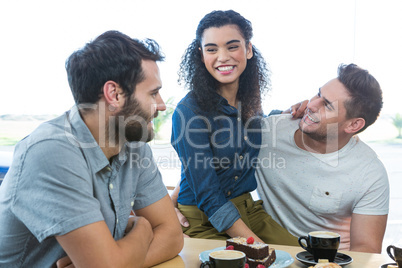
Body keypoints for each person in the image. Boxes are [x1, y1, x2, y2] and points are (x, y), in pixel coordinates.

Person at [0, 30, 183, 267]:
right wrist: (144, 227)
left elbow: (172, 236)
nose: (161, 105)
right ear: (114, 94)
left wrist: (122, 258)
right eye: (153, 93)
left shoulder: (133, 143)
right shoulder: (52, 152)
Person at [170, 9, 299, 245]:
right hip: (203, 219)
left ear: (248, 49)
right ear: (201, 55)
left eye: (232, 46)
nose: (222, 57)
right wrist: (258, 246)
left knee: (301, 258)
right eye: (211, 49)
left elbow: (251, 128)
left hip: (248, 211)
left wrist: (289, 114)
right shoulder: (188, 111)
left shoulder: (249, 100)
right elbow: (208, 194)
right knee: (268, 261)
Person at [256, 63, 389, 253]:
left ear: (353, 125)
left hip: (330, 261)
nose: (311, 105)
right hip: (274, 255)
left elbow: (365, 250)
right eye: (318, 94)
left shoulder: (370, 172)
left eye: (326, 105)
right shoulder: (268, 134)